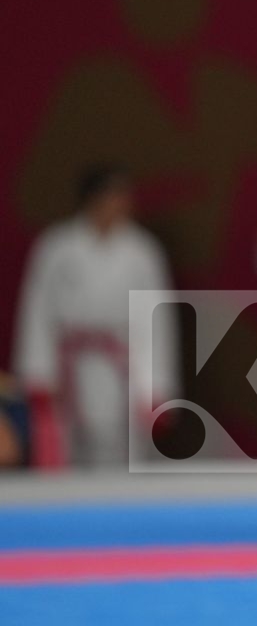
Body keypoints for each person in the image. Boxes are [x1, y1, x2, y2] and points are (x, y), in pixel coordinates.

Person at [12, 164, 174, 467]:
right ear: (94, 199)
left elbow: (157, 323)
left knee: (120, 448)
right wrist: (38, 372)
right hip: (68, 366)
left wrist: (155, 387)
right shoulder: (57, 247)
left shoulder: (143, 251)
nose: (124, 204)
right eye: (117, 196)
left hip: (121, 368)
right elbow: (37, 311)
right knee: (65, 445)